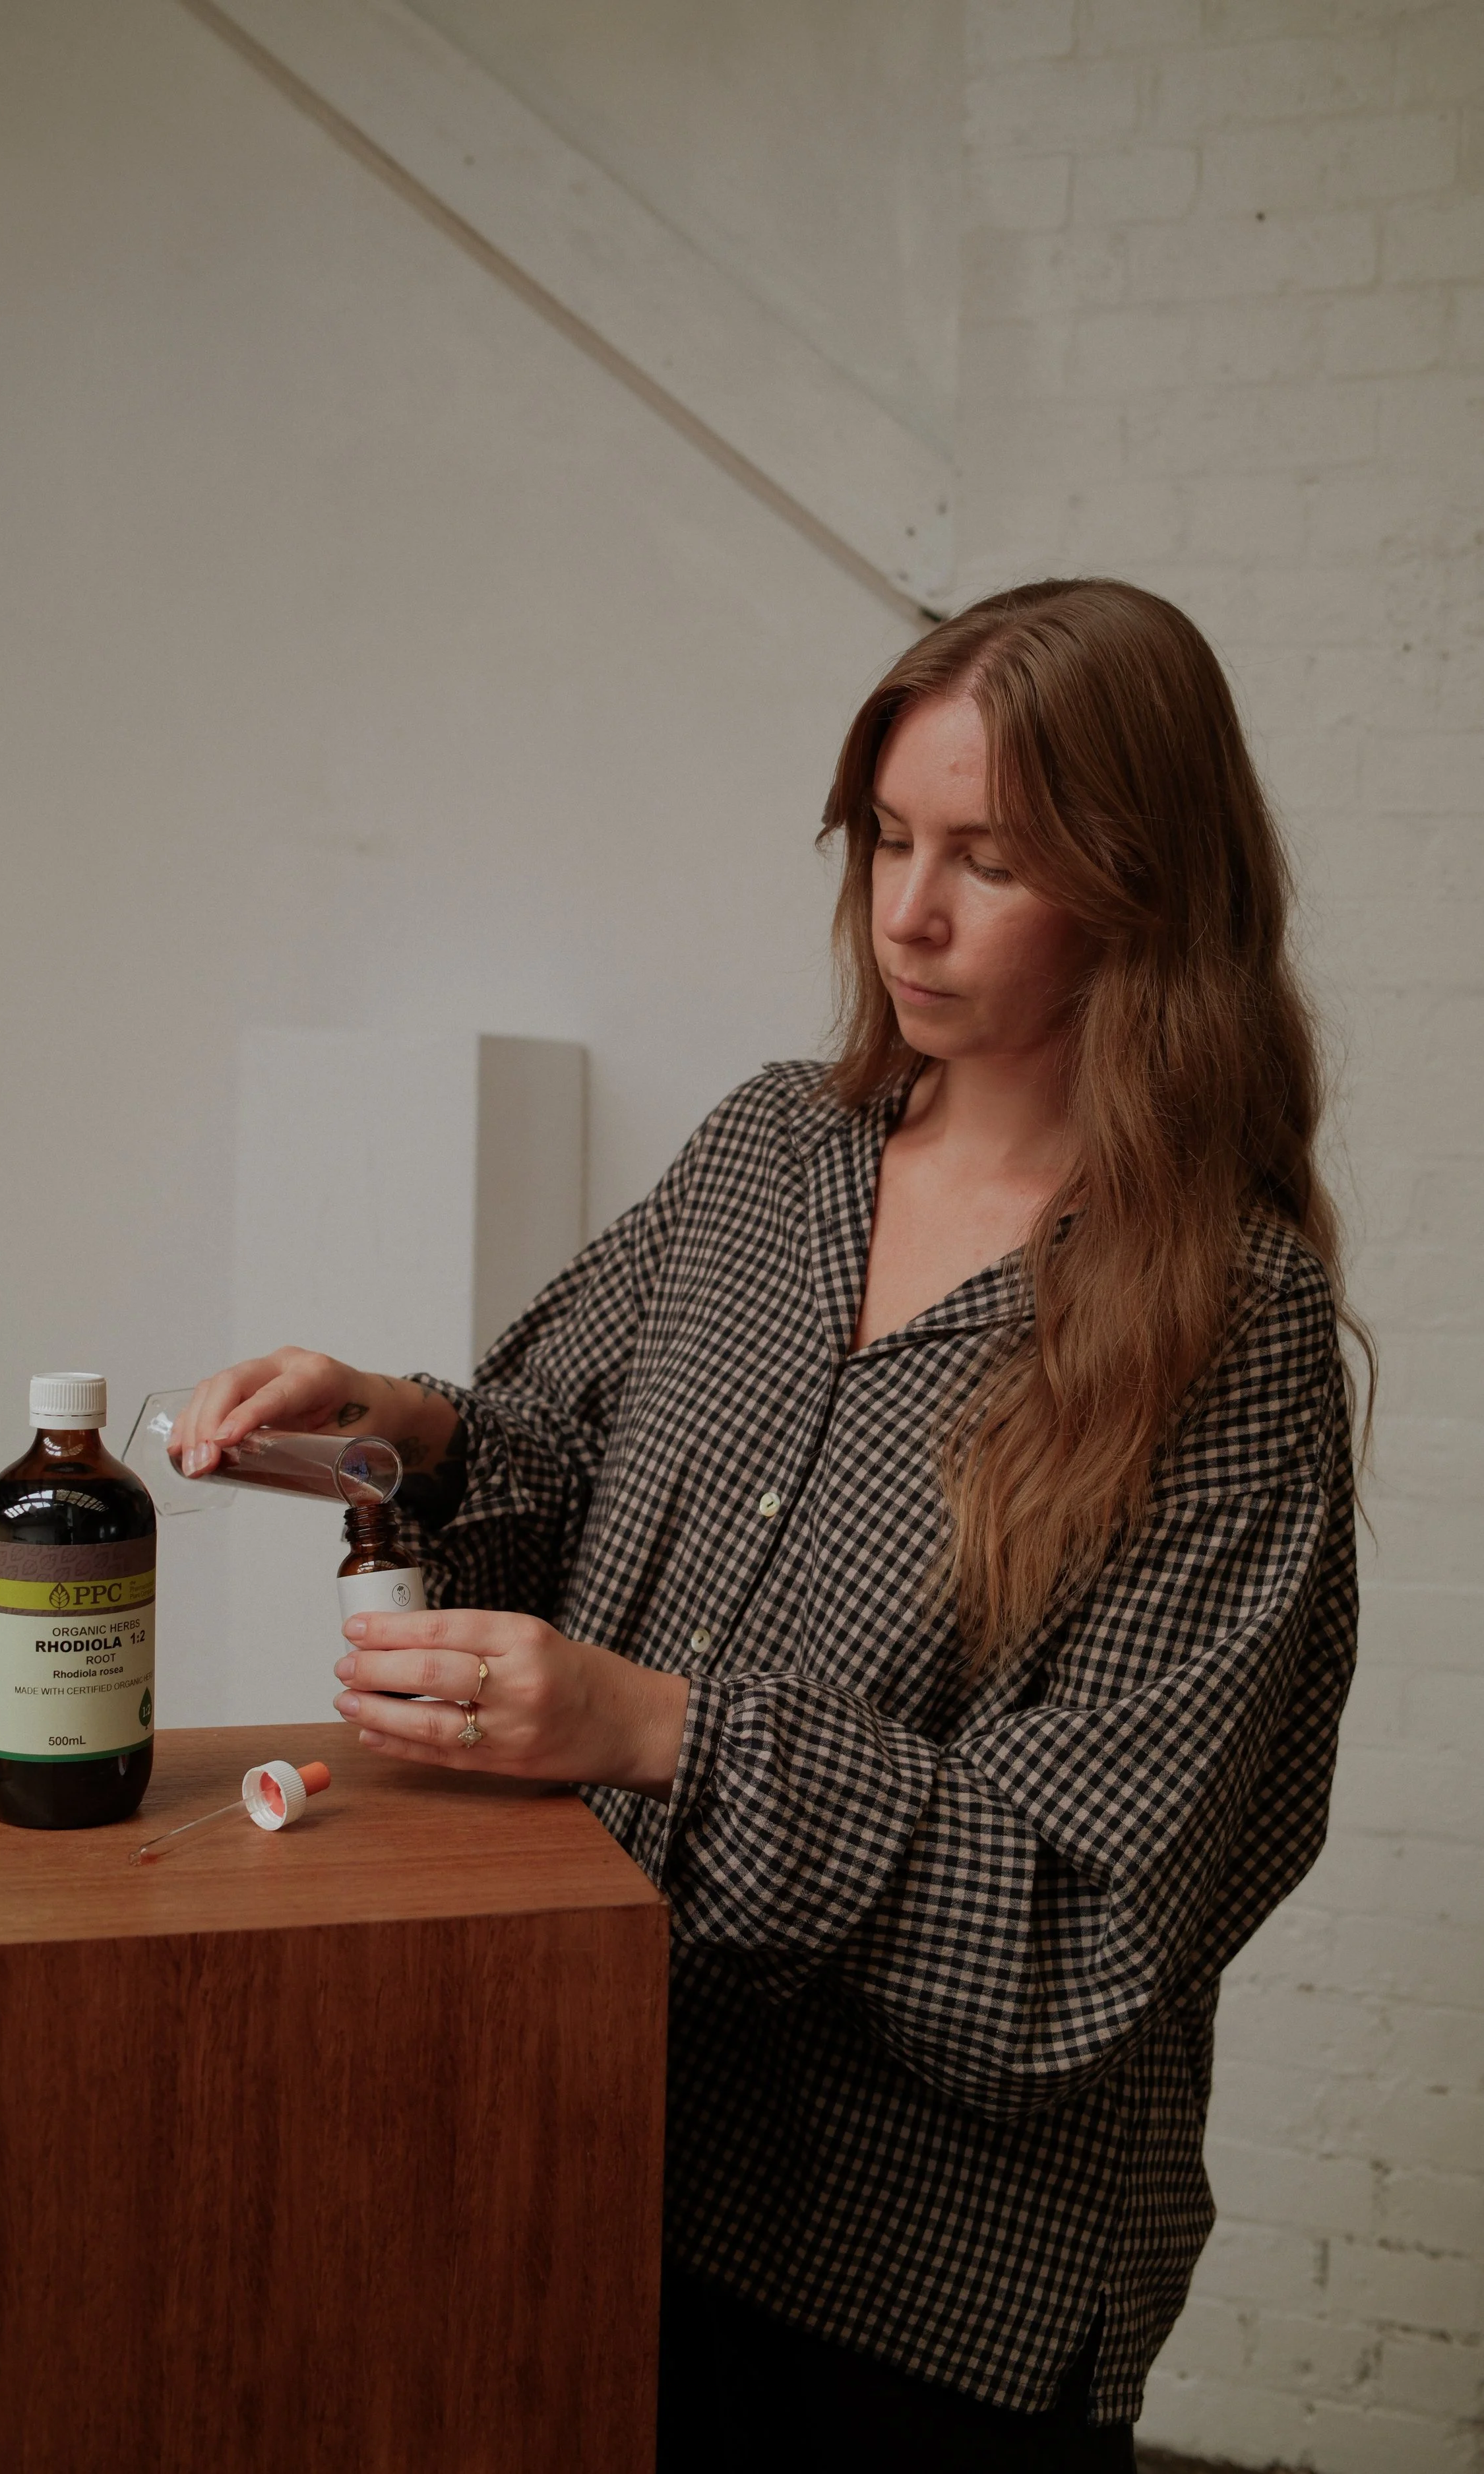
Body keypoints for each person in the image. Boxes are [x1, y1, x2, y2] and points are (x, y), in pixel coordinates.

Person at [174, 579, 1366, 2471]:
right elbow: (565, 1452)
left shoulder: (1228, 1327)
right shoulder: (765, 1152)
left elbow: (1078, 1924)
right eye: (890, 838)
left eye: (989, 857)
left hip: (923, 2291)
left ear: (1144, 887)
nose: (908, 910)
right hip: (606, 2143)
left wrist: (657, 1731)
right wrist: (406, 1436)